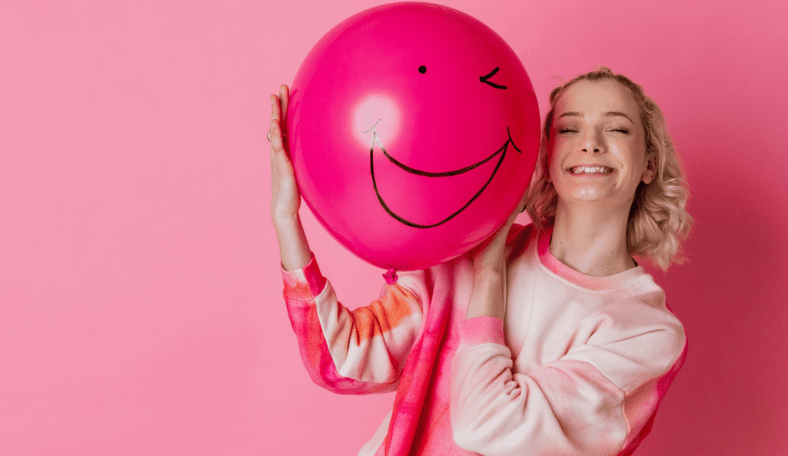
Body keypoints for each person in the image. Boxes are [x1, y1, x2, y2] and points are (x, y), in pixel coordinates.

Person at [268, 66, 692, 456]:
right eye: (569, 127)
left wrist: (490, 274)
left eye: (617, 128)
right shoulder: (463, 251)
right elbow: (342, 361)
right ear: (545, 154)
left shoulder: (647, 332)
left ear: (649, 164)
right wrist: (286, 220)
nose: (590, 142)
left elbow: (485, 426)